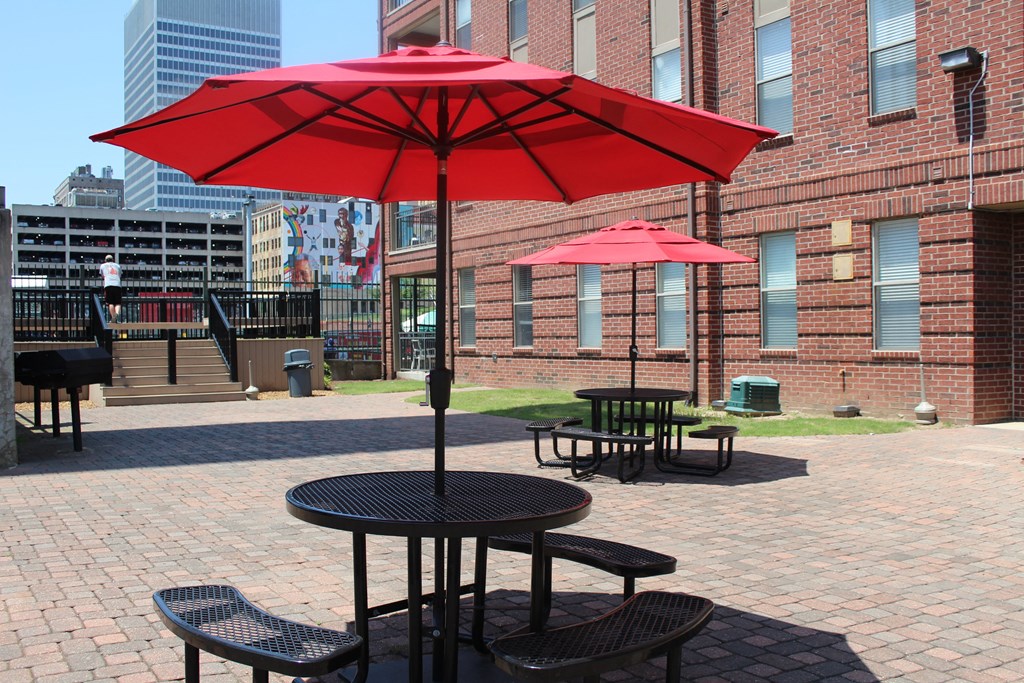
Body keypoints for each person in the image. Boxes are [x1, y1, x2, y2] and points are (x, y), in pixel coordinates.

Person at [99, 255, 123, 323]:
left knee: (110, 302)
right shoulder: (117, 266)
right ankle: (117, 314)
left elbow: (102, 275)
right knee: (118, 303)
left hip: (108, 285)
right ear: (113, 260)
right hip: (117, 285)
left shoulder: (103, 266)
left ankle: (113, 317)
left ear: (105, 260)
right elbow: (120, 274)